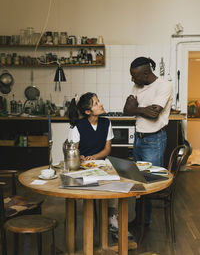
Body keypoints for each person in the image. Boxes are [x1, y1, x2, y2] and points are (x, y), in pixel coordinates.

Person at [68, 92, 134, 240]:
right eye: (96, 103)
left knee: (116, 182)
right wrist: (82, 158)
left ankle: (112, 219)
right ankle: (89, 224)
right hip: (83, 167)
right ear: (87, 111)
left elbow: (107, 149)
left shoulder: (106, 122)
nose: (101, 104)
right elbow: (74, 150)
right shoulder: (78, 126)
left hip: (101, 164)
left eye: (99, 101)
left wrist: (95, 157)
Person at [123, 56, 173, 225]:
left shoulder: (164, 85)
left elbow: (154, 113)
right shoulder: (137, 85)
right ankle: (141, 219)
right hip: (139, 138)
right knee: (138, 181)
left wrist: (136, 108)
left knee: (149, 182)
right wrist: (141, 109)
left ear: (146, 73)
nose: (132, 79)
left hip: (154, 140)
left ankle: (146, 221)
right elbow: (126, 109)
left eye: (134, 76)